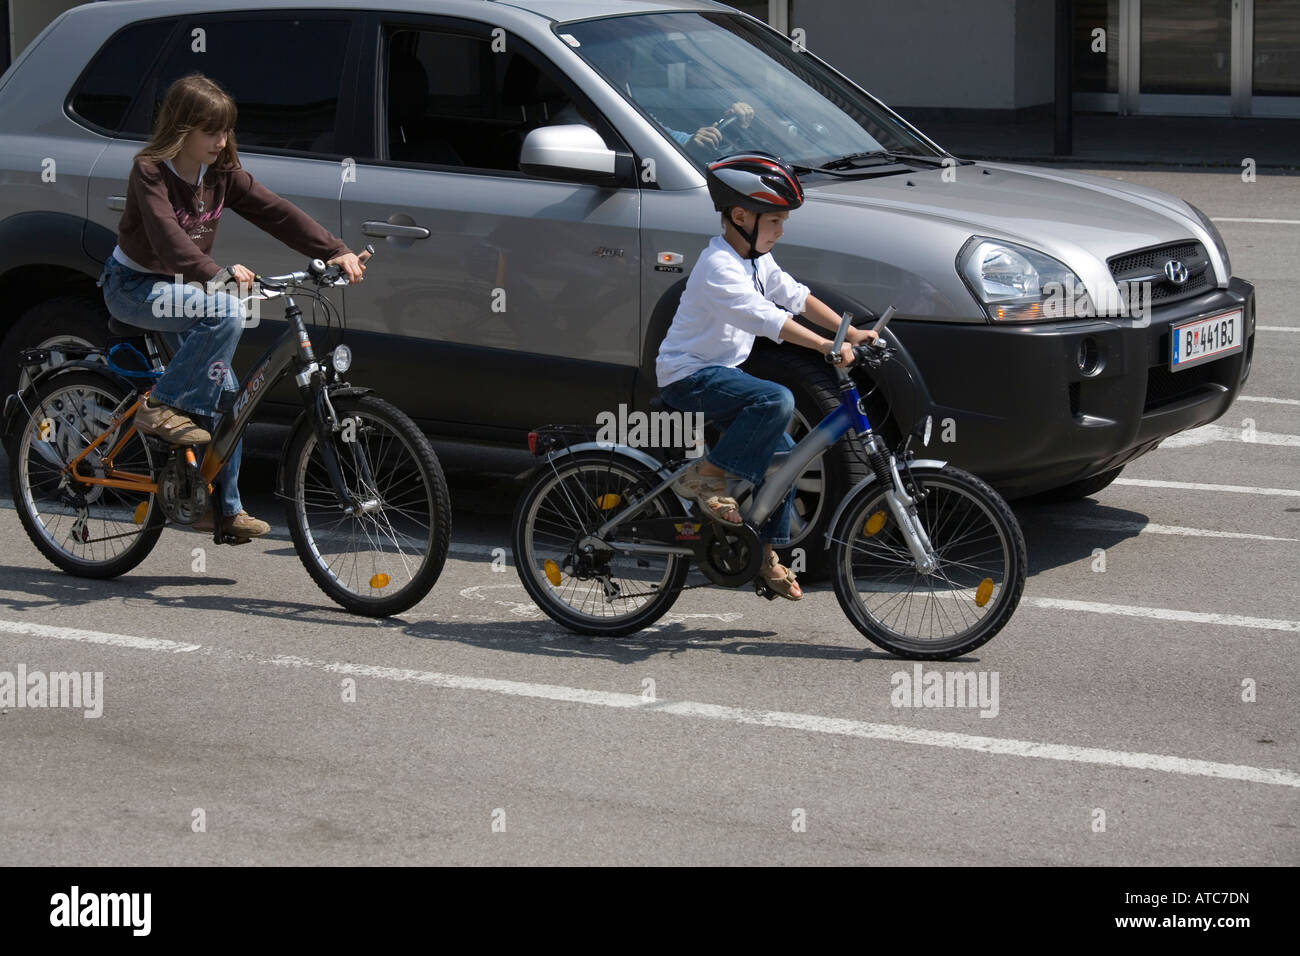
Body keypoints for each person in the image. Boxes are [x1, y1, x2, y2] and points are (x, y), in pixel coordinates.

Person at [98, 73, 365, 542]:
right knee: (227, 311)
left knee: (231, 398)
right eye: (211, 132)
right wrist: (216, 274)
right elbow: (167, 238)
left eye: (226, 131)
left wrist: (335, 249)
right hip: (135, 285)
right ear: (182, 129)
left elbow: (276, 212)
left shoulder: (220, 174)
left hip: (185, 288)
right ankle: (159, 408)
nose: (222, 142)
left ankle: (222, 510)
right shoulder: (151, 171)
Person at [656, 153, 877, 601]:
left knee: (789, 460)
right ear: (741, 217)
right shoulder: (718, 267)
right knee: (776, 400)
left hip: (721, 373)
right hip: (687, 376)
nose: (781, 230)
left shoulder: (755, 260)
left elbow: (794, 297)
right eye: (775, 221)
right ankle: (707, 476)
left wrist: (849, 331)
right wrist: (824, 346)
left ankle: (763, 555)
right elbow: (766, 318)